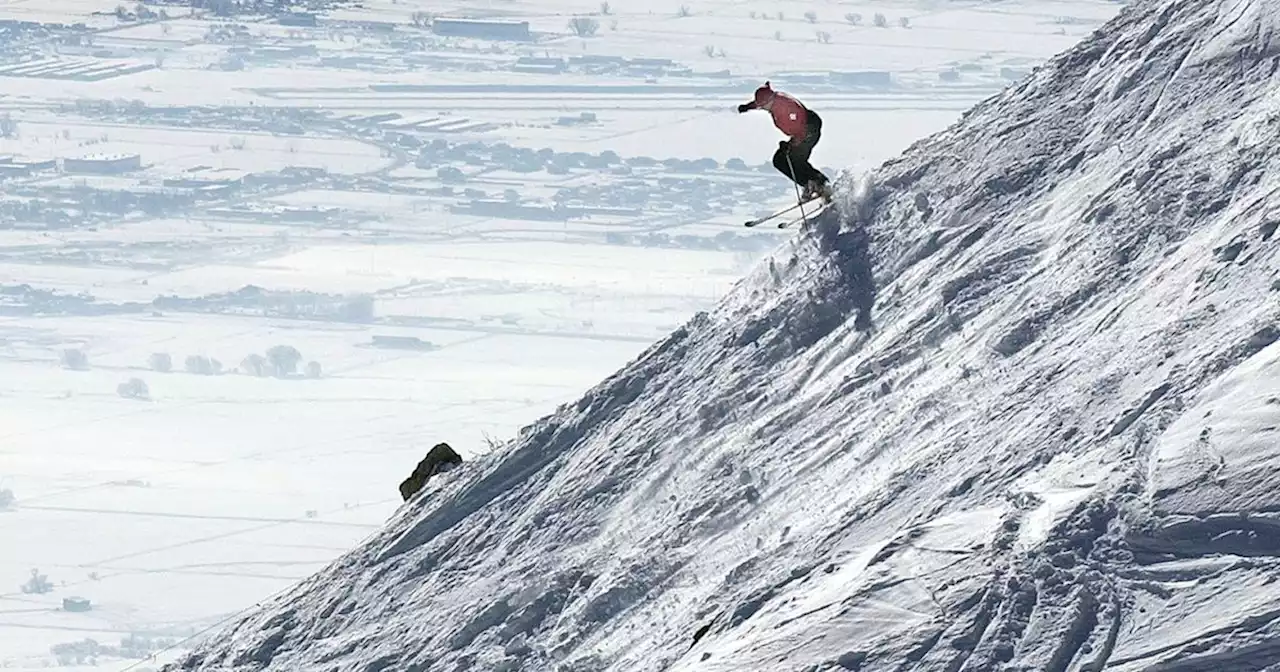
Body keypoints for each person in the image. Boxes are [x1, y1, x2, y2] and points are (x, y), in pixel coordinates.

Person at [737, 81, 833, 203]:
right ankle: (813, 184)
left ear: (769, 101)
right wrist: (747, 107)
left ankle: (821, 186)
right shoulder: (772, 100)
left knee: (793, 160)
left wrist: (792, 145)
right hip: (800, 132)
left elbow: (801, 125)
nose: (763, 109)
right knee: (781, 160)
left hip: (809, 130)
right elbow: (759, 102)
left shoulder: (787, 107)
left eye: (763, 106)